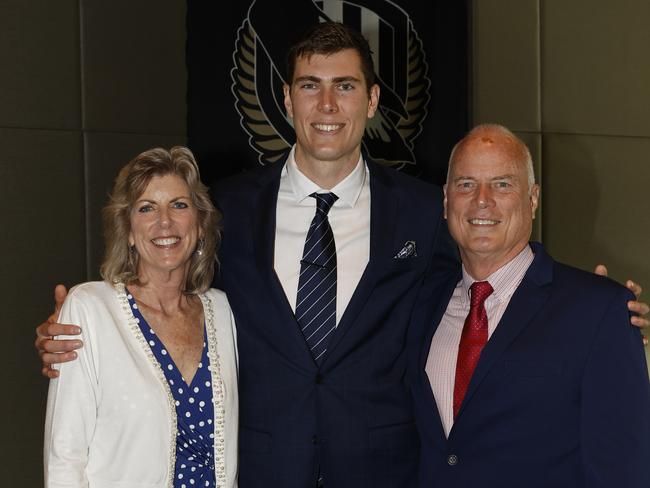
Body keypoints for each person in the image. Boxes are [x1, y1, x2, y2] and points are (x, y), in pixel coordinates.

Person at [36, 24, 648, 488]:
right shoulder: (223, 209)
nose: (327, 105)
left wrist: (585, 307)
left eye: (345, 86)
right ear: (287, 99)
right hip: (261, 471)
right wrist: (82, 331)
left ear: (373, 100)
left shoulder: (420, 211)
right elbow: (166, 287)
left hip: (385, 473)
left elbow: (491, 255)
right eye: (311, 86)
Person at [408, 124, 650, 487]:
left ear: (533, 199)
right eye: (466, 184)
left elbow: (623, 470)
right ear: (446, 201)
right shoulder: (419, 302)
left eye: (502, 184)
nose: (482, 200)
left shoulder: (599, 311)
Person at [43, 147, 238, 487]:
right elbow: (65, 455)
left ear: (201, 224)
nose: (165, 221)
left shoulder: (221, 310)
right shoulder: (90, 309)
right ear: (129, 231)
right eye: (147, 208)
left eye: (179, 205)